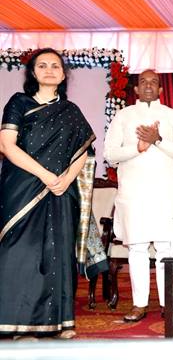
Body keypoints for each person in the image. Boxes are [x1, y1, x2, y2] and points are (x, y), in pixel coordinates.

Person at [0, 48, 97, 339]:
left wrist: (66, 180)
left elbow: (84, 151)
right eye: (42, 65)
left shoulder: (71, 111)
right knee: (20, 253)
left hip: (60, 192)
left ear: (63, 74)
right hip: (22, 188)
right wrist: (45, 175)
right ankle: (19, 322)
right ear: (33, 72)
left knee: (57, 254)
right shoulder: (19, 102)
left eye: (55, 66)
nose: (49, 70)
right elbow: (7, 145)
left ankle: (58, 323)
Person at [104, 69, 173, 322]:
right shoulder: (123, 116)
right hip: (134, 193)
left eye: (154, 82)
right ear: (136, 89)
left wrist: (158, 139)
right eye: (144, 82)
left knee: (165, 248)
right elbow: (110, 155)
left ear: (161, 89)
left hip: (166, 193)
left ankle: (168, 304)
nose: (149, 86)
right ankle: (139, 304)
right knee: (138, 248)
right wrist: (138, 147)